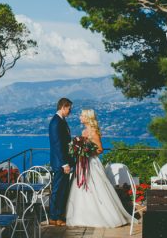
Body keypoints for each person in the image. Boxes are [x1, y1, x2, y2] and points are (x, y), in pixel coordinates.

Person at [65, 109, 131, 228]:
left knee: (94, 188)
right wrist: (79, 150)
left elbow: (100, 149)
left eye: (82, 115)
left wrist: (87, 152)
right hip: (81, 163)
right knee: (81, 189)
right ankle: (82, 216)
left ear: (87, 117)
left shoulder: (93, 132)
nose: (80, 117)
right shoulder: (84, 131)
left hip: (91, 164)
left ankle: (103, 216)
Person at [48, 97, 73, 226]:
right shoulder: (56, 122)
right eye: (69, 108)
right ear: (63, 107)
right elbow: (57, 144)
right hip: (60, 163)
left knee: (63, 189)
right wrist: (64, 163)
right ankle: (53, 217)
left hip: (63, 162)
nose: (70, 111)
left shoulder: (61, 121)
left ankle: (59, 216)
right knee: (57, 190)